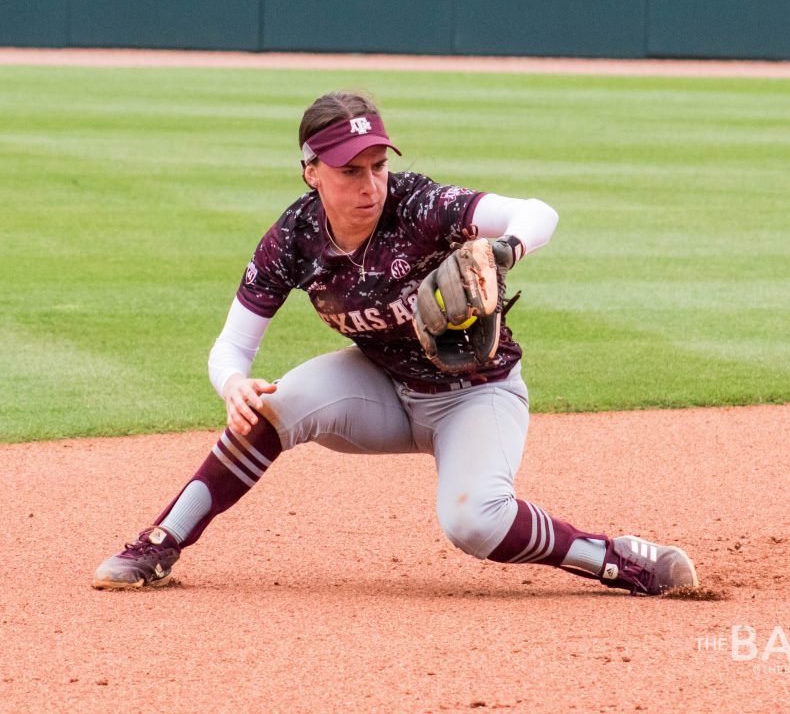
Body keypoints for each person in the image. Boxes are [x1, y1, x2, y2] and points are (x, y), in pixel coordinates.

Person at [93, 91, 698, 596]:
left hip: (475, 394)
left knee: (472, 522)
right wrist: (233, 386)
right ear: (311, 172)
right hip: (381, 391)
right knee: (270, 405)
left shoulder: (420, 205)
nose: (370, 183)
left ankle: (613, 557)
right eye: (350, 170)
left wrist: (504, 248)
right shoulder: (294, 238)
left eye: (377, 165)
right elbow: (231, 348)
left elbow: (540, 213)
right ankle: (160, 544)